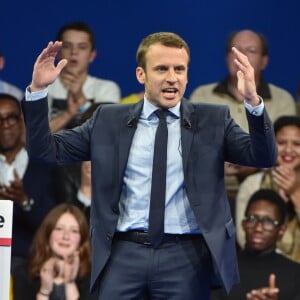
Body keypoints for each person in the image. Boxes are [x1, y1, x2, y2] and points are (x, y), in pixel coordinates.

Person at [22, 32, 277, 299]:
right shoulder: (108, 120)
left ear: (187, 75)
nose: (172, 77)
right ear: (140, 75)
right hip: (123, 254)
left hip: (185, 258)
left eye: (179, 69)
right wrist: (38, 92)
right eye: (161, 69)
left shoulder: (213, 120)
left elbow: (263, 157)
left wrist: (253, 103)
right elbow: (45, 151)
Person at [190, 29, 296, 202]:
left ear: (264, 61)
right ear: (226, 58)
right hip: (210, 192)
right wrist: (214, 163)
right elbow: (192, 146)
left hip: (266, 193)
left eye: (251, 51)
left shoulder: (282, 100)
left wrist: (256, 165)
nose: (242, 55)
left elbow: (289, 153)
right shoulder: (202, 96)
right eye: (235, 50)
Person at [0, 93, 61, 273]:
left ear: (22, 121)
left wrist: (24, 202)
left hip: (29, 265)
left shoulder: (46, 167)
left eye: (11, 117)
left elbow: (53, 225)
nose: (5, 125)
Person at [211, 189, 300, 300]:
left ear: (281, 230)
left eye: (268, 221)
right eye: (252, 219)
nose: (258, 228)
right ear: (243, 224)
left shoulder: (295, 275)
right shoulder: (219, 271)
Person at [236, 116, 300, 262]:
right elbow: (243, 237)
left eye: (297, 144)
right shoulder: (252, 184)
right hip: (261, 264)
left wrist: (295, 193)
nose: (288, 150)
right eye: (281, 143)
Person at [12, 203, 98, 300]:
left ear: (81, 239)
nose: (66, 236)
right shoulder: (24, 273)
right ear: (48, 234)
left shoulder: (91, 280)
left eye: (74, 231)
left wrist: (70, 284)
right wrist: (44, 292)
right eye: (59, 229)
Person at [48, 21, 121, 132]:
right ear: (58, 53)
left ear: (92, 55)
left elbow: (108, 131)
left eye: (82, 47)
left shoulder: (107, 88)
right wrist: (69, 113)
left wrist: (82, 101)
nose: (74, 52)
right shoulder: (42, 88)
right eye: (67, 46)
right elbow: (31, 139)